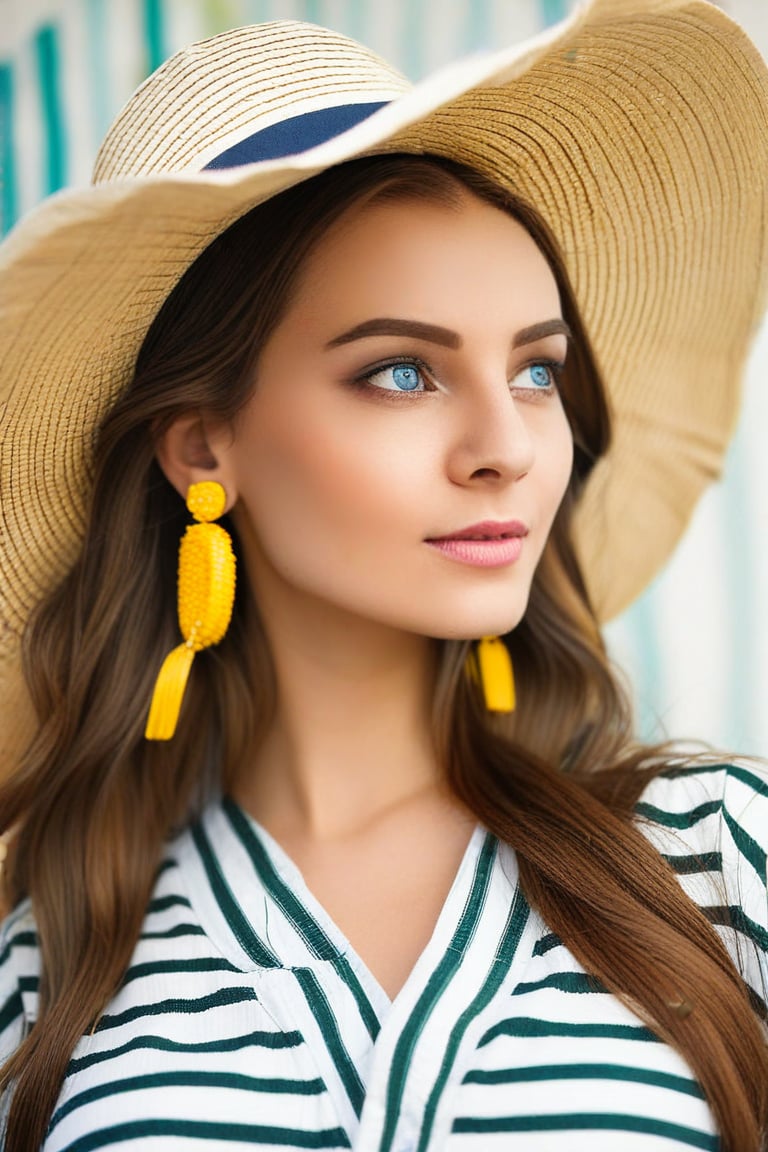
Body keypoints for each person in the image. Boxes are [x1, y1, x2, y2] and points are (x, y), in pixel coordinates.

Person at [0, 2, 766, 1149]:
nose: (504, 445)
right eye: (403, 372)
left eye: (537, 370)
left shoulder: (722, 856)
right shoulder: (46, 953)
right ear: (203, 444)